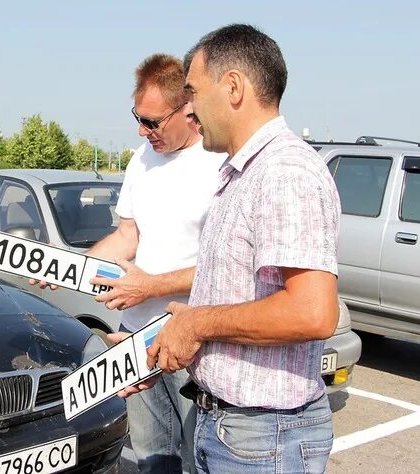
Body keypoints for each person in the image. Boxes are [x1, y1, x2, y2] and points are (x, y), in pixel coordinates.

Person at [126, 24, 340, 474]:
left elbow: (312, 312)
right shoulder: (240, 173)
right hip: (229, 428)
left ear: (234, 87)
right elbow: (234, 299)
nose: (190, 108)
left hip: (264, 439)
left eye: (194, 92)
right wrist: (161, 337)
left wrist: (198, 323)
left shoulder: (285, 172)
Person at [86, 54, 225, 474]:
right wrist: (72, 266)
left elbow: (226, 267)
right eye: (138, 118)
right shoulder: (140, 160)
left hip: (191, 344)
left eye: (153, 122)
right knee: (151, 462)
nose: (143, 131)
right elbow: (127, 236)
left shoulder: (221, 163)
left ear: (188, 109)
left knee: (198, 461)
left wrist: (152, 287)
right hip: (136, 339)